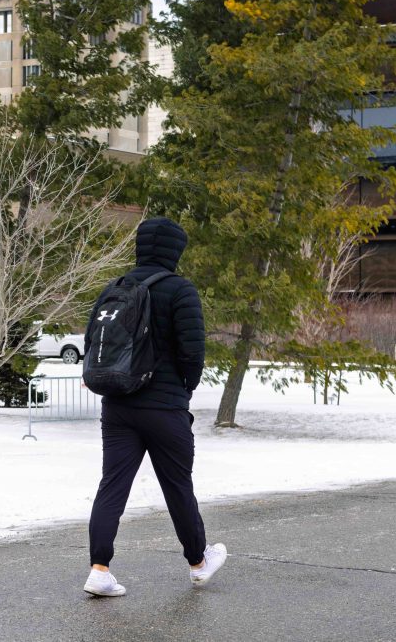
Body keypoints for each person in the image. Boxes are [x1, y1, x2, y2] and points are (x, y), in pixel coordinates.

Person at [82, 217, 226, 596]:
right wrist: (183, 391)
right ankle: (198, 562)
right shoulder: (180, 290)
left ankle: (99, 569)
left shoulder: (114, 288)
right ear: (175, 251)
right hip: (164, 409)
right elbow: (193, 353)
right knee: (177, 486)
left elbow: (93, 343)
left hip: (118, 406)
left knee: (112, 485)